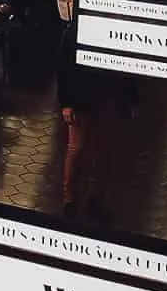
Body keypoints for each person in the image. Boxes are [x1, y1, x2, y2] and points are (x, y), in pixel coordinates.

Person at [57, 20, 135, 220]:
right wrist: (66, 102)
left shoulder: (115, 25)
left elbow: (128, 64)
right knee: (78, 149)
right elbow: (64, 64)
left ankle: (94, 197)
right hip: (83, 95)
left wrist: (130, 99)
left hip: (105, 95)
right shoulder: (77, 26)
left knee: (102, 152)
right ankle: (70, 199)